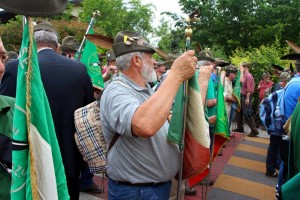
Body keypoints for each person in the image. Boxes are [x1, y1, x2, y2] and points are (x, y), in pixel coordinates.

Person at [0, 21, 94, 200]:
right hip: (68, 158)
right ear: (58, 46)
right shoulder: (79, 69)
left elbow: (4, 113)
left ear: (31, 44)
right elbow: (87, 115)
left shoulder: (15, 68)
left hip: (28, 160)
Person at [100, 30, 196, 199]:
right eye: (150, 57)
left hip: (152, 189)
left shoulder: (146, 89)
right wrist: (176, 75)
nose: (154, 62)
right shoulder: (116, 90)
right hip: (136, 192)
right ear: (137, 60)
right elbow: (144, 125)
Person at [234, 62, 259, 137]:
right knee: (239, 112)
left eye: (241, 67)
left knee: (247, 113)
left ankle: (254, 130)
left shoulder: (248, 76)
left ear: (246, 67)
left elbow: (248, 88)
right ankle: (240, 127)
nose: (240, 68)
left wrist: (247, 98)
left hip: (246, 96)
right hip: (242, 95)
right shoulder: (244, 75)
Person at [223, 65, 238, 129]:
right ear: (231, 74)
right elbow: (225, 97)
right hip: (224, 108)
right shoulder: (225, 82)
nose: (236, 75)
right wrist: (235, 100)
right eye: (235, 74)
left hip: (228, 107)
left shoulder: (230, 82)